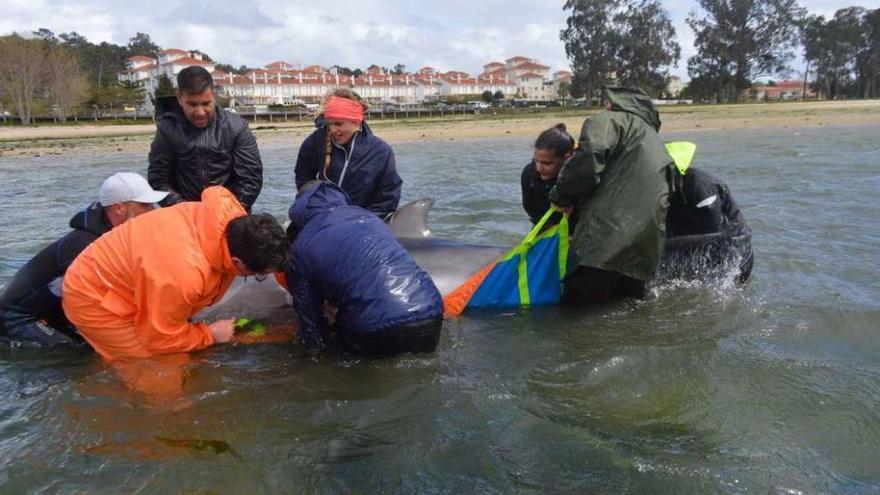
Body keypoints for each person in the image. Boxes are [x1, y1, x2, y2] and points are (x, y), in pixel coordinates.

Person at [61, 186, 287, 360]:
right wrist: (210, 335)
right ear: (237, 262)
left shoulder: (231, 223)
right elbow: (159, 339)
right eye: (256, 274)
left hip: (141, 273)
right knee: (158, 367)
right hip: (94, 295)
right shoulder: (183, 274)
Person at [0, 173, 167, 347]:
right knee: (84, 353)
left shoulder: (112, 237)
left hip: (53, 311)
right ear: (119, 209)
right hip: (17, 318)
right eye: (145, 205)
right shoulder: (86, 248)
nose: (153, 211)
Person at [285, 181, 443, 357]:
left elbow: (311, 322)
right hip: (431, 311)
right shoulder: (368, 217)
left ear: (299, 209)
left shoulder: (301, 247)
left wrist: (313, 352)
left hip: (376, 326)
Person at [549, 86, 673, 304]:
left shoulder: (609, 120)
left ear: (611, 103)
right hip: (646, 245)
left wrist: (561, 197)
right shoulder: (654, 140)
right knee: (627, 309)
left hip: (606, 239)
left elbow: (589, 157)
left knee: (575, 309)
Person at [148, 66, 263, 211]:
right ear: (179, 98)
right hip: (184, 213)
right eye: (192, 104)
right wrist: (187, 211)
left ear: (214, 95)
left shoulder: (237, 127)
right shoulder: (167, 129)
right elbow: (158, 180)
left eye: (206, 104)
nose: (200, 112)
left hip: (230, 212)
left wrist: (227, 211)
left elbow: (251, 180)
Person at [294, 88, 402, 219]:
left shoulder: (380, 151)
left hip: (362, 222)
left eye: (338, 124)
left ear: (356, 121)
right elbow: (303, 178)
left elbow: (388, 196)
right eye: (330, 123)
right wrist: (315, 208)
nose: (333, 130)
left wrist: (362, 220)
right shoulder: (316, 141)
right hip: (322, 218)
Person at [664, 165, 754, 283]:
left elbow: (710, 237)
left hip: (733, 252)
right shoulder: (659, 190)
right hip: (693, 239)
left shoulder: (700, 187)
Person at [521, 123, 575, 225]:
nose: (539, 168)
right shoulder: (529, 174)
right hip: (544, 225)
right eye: (536, 161)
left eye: (547, 163)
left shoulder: (580, 176)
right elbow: (530, 208)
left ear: (566, 158)